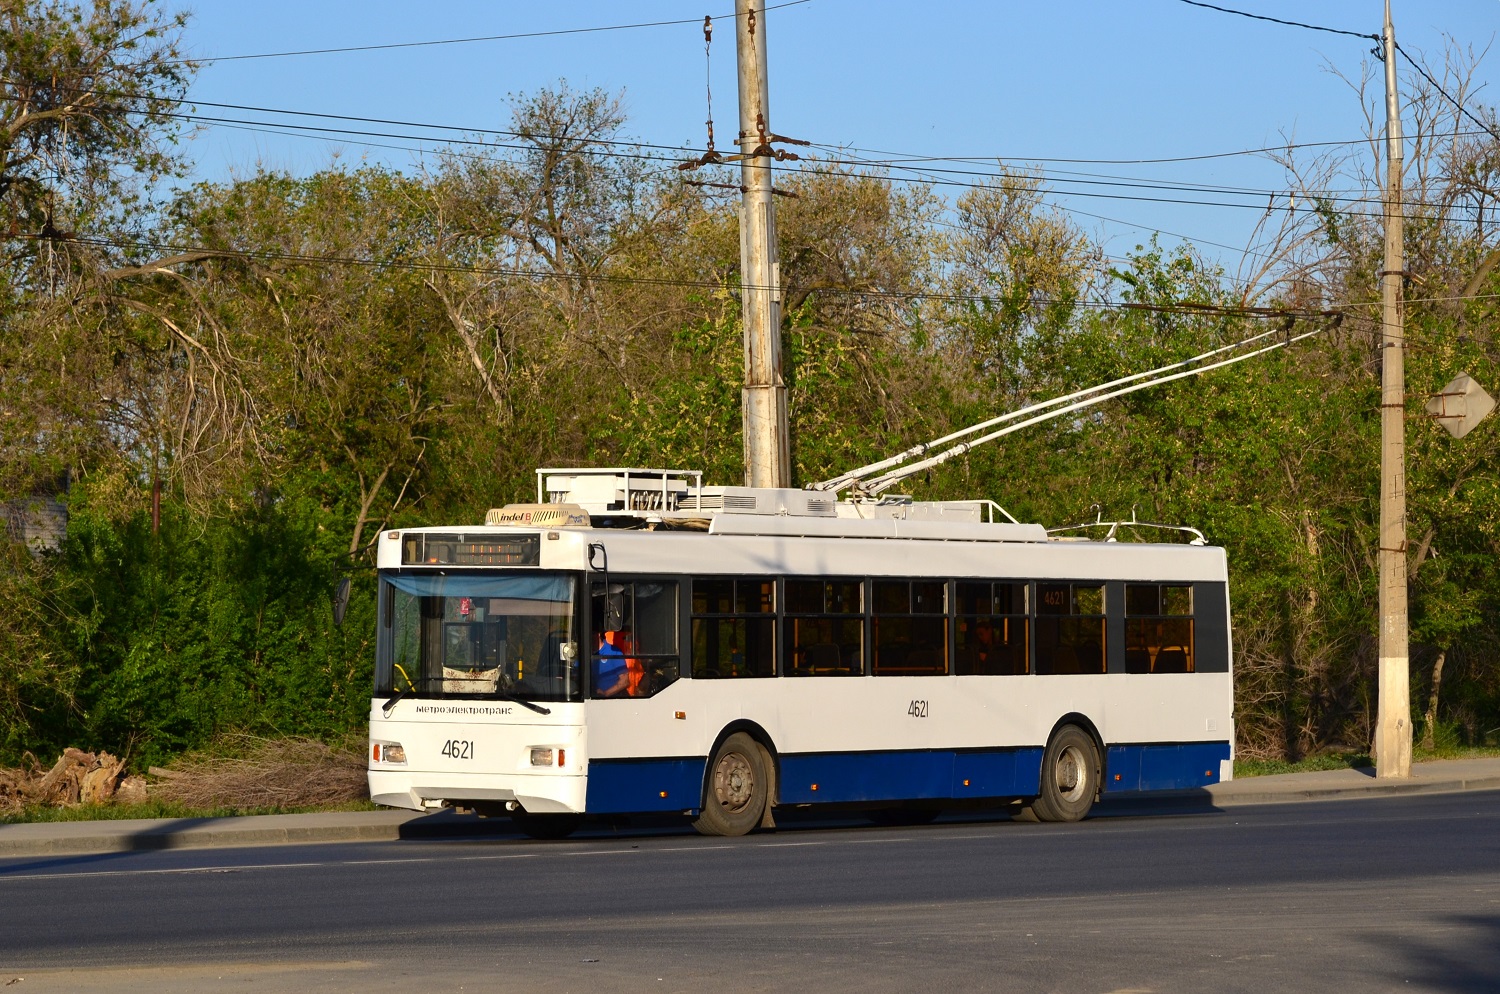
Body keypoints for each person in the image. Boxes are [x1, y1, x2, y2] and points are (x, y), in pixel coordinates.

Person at [593, 629, 630, 698]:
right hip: (590, 699)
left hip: (614, 700)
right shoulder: (584, 653)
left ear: (598, 634)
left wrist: (605, 694)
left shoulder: (613, 651)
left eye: (591, 633)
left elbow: (625, 681)